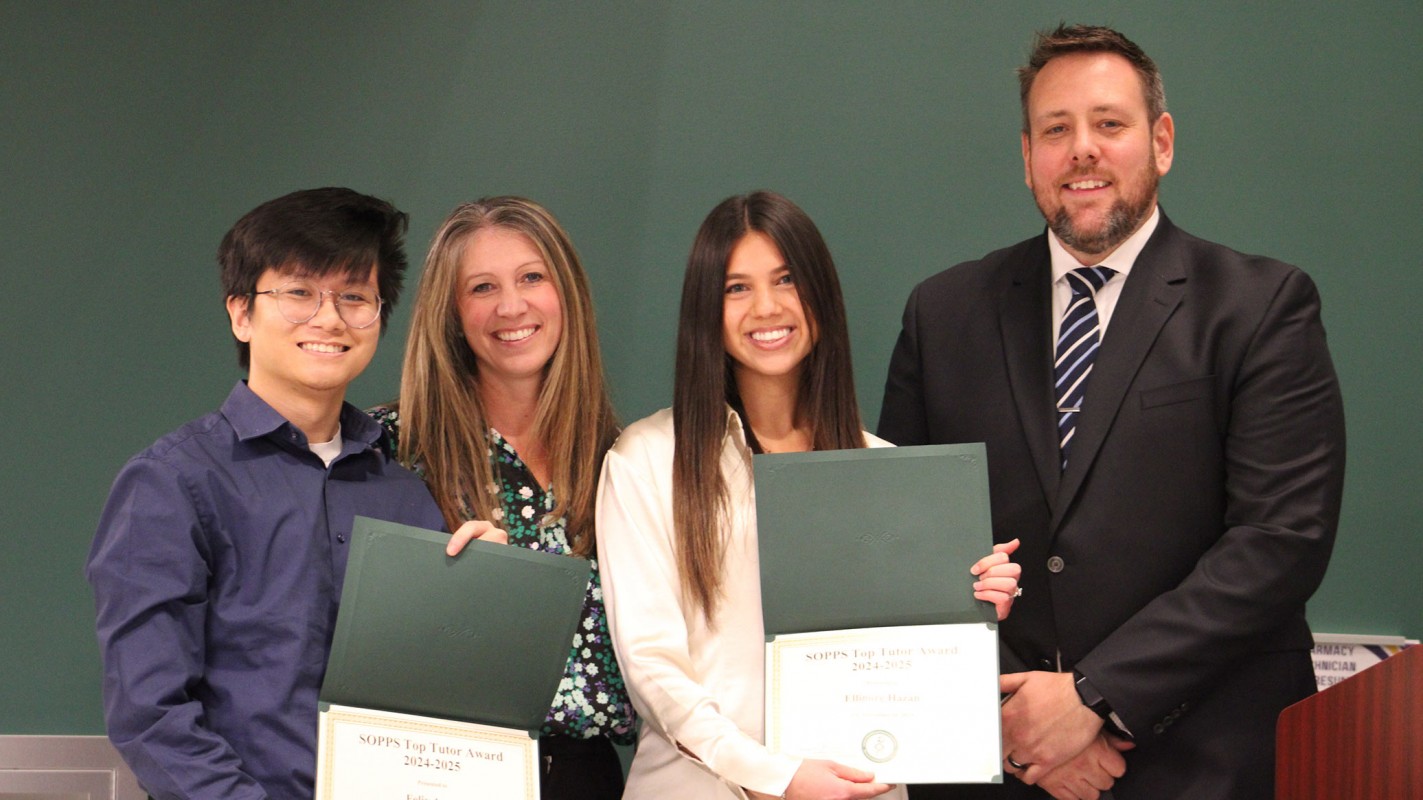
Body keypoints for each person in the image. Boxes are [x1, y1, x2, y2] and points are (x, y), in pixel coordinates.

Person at [878, 24, 1346, 800]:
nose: (1081, 150)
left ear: (1160, 141)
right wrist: (1022, 731)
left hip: (1201, 761)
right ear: (1026, 157)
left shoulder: (1260, 306)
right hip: (992, 762)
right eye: (1055, 130)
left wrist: (1097, 701)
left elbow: (1277, 541)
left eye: (1109, 123)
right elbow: (902, 544)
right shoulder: (944, 313)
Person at [596, 190, 1022, 800]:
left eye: (787, 279)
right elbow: (653, 668)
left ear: (820, 294)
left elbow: (923, 681)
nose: (766, 307)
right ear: (705, 310)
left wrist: (970, 611)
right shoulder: (646, 461)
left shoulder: (886, 470)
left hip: (862, 788)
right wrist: (776, 775)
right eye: (736, 287)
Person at [86, 187, 448, 799]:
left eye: (355, 296)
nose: (329, 318)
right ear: (241, 313)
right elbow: (150, 714)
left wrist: (477, 598)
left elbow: (434, 699)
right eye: (300, 292)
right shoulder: (172, 483)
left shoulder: (406, 496)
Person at [369, 196, 635, 799]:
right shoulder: (388, 451)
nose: (511, 306)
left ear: (566, 292)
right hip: (440, 772)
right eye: (482, 287)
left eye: (532, 278)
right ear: (451, 314)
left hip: (588, 776)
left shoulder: (622, 460)